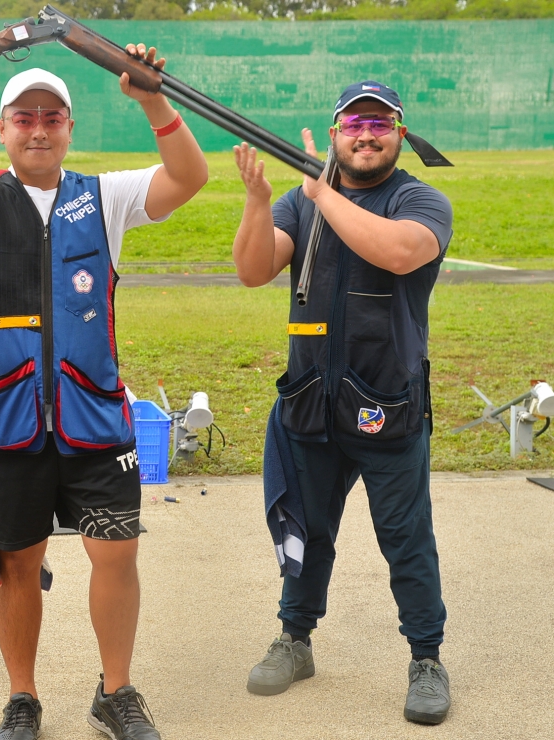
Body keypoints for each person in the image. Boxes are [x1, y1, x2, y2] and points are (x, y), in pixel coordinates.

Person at [0, 29, 207, 740]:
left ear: (69, 127)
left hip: (92, 416)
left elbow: (188, 178)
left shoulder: (107, 198)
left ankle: (116, 692)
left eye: (51, 117)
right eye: (24, 118)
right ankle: (23, 697)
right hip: (6, 419)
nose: (38, 129)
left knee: (116, 552)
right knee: (19, 563)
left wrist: (155, 103)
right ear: (1, 128)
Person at [231, 81, 454, 724]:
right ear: (334, 134)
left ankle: (427, 658)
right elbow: (251, 269)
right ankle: (295, 639)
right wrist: (258, 201)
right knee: (307, 531)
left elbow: (401, 250)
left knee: (406, 539)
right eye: (353, 123)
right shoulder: (299, 207)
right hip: (310, 404)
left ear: (399, 135)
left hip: (388, 402)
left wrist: (322, 192)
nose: (366, 134)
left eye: (380, 124)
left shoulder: (419, 199)